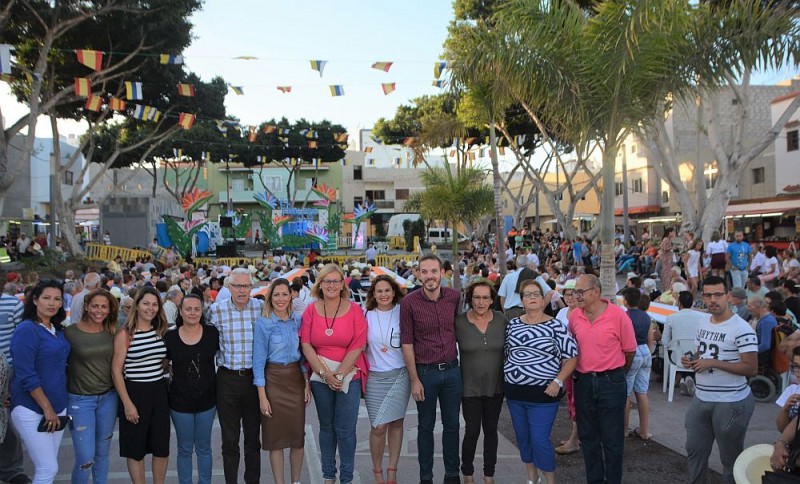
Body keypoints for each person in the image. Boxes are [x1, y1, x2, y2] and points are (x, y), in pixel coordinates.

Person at [681, 275, 757, 483]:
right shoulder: (702, 321)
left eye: (718, 295)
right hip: (702, 397)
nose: (712, 300)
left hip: (731, 401)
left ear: (728, 296)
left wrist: (713, 363)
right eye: (708, 295)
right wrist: (691, 359)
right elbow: (701, 352)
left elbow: (751, 368)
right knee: (694, 450)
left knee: (730, 460)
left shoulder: (742, 328)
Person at [301, 264, 368, 484]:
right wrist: (325, 374)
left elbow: (358, 344)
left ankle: (346, 478)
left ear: (342, 285)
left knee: (346, 430)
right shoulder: (311, 310)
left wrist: (339, 375)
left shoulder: (355, 310)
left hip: (349, 375)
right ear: (320, 284)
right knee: (327, 428)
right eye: (326, 281)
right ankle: (328, 475)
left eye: (335, 281)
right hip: (321, 376)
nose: (331, 285)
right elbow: (306, 344)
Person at [505, 279, 577, 484]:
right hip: (515, 394)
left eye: (536, 294)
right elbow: (509, 354)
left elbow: (571, 358)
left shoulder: (556, 325)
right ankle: (532, 477)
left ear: (544, 299)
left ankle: (551, 480)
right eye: (527, 294)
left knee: (539, 439)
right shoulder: (512, 325)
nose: (532, 297)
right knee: (523, 438)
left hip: (544, 395)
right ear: (521, 300)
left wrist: (558, 382)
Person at [400, 253, 463, 484]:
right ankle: (425, 477)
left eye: (434, 271)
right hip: (425, 373)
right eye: (424, 272)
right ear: (418, 274)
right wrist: (414, 379)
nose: (429, 276)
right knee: (425, 427)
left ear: (442, 273)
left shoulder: (454, 297)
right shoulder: (409, 303)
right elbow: (407, 342)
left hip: (452, 372)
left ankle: (452, 475)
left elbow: (459, 329)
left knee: (452, 426)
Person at [569, 274, 637, 484]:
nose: (576, 296)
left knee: (612, 439)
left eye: (580, 292)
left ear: (596, 292)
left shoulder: (618, 316)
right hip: (583, 382)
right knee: (588, 437)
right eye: (575, 292)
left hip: (611, 381)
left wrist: (615, 374)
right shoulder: (574, 316)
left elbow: (630, 351)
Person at [9, 280, 70, 484]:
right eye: (46, 298)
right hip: (31, 407)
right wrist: (47, 408)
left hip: (58, 405)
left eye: (57, 299)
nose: (52, 303)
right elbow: (26, 373)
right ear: (35, 300)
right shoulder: (27, 330)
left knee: (49, 466)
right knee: (47, 468)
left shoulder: (56, 329)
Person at [208, 267, 263, 484]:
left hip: (253, 380)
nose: (242, 290)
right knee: (229, 440)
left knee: (253, 439)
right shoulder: (216, 311)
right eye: (237, 286)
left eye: (246, 286)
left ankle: (252, 481)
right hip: (227, 379)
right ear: (229, 287)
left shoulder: (261, 308)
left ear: (251, 287)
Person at [253, 279, 310, 484]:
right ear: (270, 297)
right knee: (275, 439)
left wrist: (306, 383)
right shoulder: (263, 323)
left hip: (295, 381)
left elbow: (303, 356)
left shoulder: (298, 320)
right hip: (273, 382)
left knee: (297, 438)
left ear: (291, 296)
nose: (280, 299)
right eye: (276, 294)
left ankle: (296, 481)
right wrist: (262, 396)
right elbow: (258, 362)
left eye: (284, 294)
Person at [111, 286, 170, 484]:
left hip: (159, 392)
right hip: (135, 392)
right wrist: (127, 404)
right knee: (135, 449)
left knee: (161, 448)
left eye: (154, 304)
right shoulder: (125, 334)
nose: (150, 308)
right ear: (136, 305)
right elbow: (116, 371)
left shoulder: (161, 331)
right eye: (146, 303)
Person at [64, 289, 119, 484]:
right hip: (80, 401)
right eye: (95, 306)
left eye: (104, 307)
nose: (99, 310)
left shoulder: (113, 331)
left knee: (102, 454)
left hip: (109, 398)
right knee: (85, 459)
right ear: (86, 306)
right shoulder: (70, 333)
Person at [455, 280, 507, 484]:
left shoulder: (502, 320)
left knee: (491, 431)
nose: (481, 302)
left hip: (496, 387)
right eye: (476, 297)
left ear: (492, 300)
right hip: (469, 388)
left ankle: (489, 475)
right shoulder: (459, 322)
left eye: (485, 297)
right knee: (472, 431)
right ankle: (467, 474)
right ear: (470, 299)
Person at [165, 294, 219, 484]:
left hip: (207, 401)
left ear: (202, 311)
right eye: (188, 309)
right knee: (185, 449)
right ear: (180, 311)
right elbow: (162, 363)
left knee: (204, 448)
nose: (193, 313)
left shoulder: (212, 333)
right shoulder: (170, 337)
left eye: (197, 309)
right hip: (180, 403)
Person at [364, 275, 410, 484]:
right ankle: (377, 471)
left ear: (394, 292)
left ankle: (392, 470)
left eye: (387, 290)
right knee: (378, 426)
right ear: (373, 294)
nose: (384, 294)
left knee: (397, 422)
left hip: (400, 374)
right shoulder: (366, 314)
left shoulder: (403, 312)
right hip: (375, 376)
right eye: (379, 291)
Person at [0, 276, 28, 484]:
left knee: (8, 426)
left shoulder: (12, 304)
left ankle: (11, 470)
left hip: (7, 373)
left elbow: (22, 337)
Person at [620, 288, 654, 440]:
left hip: (632, 352)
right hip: (645, 351)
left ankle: (624, 429)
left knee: (625, 393)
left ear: (625, 301)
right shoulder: (646, 316)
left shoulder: (625, 316)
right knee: (642, 392)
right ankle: (644, 431)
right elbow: (650, 339)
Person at [554, 280, 580, 455]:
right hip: (564, 362)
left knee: (575, 400)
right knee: (571, 398)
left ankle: (574, 440)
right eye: (566, 294)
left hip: (578, 363)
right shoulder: (562, 312)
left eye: (573, 294)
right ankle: (575, 436)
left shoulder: (582, 313)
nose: (570, 297)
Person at [775, 347, 800, 432]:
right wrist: (785, 409)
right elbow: (781, 429)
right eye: (796, 366)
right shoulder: (791, 390)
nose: (798, 372)